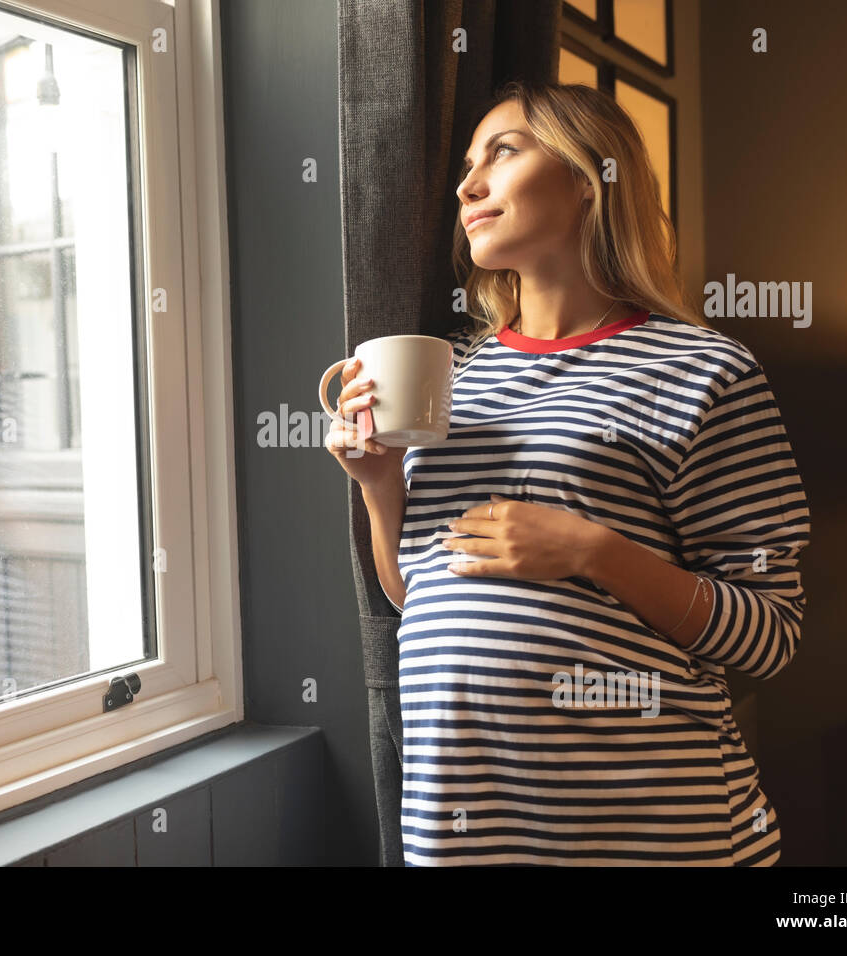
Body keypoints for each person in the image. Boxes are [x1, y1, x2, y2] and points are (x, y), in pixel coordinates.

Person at [324, 81, 811, 866]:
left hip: (655, 833)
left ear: (591, 178)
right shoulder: (460, 382)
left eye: (503, 152)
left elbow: (769, 636)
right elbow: (421, 595)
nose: (467, 184)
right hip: (468, 831)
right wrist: (380, 487)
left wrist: (592, 550)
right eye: (467, 165)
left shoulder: (703, 369)